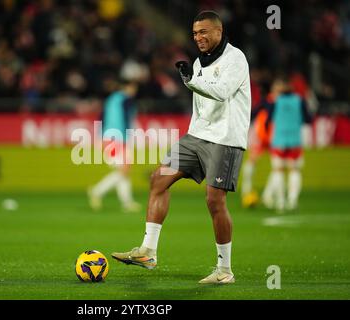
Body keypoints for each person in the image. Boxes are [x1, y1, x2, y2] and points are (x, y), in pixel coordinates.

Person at [111, 11, 251, 284]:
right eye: (195, 33)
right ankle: (148, 251)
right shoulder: (199, 61)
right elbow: (200, 102)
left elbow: (222, 92)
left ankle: (225, 270)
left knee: (214, 200)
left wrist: (191, 80)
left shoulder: (236, 59)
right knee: (159, 179)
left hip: (225, 138)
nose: (198, 37)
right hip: (197, 135)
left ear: (219, 32)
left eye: (204, 32)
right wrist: (192, 126)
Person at [87, 80, 142, 213]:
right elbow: (128, 119)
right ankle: (97, 191)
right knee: (124, 170)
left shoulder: (110, 100)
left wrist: (99, 137)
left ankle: (127, 203)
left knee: (124, 171)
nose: (134, 91)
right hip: (118, 138)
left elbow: (101, 118)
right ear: (127, 87)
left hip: (107, 138)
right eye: (133, 88)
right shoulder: (126, 101)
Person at [261, 76, 312, 212]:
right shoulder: (300, 100)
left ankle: (280, 202)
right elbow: (308, 119)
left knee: (278, 170)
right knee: (294, 170)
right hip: (295, 140)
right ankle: (292, 200)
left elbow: (267, 121)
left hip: (278, 140)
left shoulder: (275, 101)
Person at [240, 79, 284, 208]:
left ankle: (268, 195)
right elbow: (253, 114)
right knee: (251, 163)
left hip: (276, 139)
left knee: (278, 167)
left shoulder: (284, 103)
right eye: (277, 86)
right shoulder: (267, 101)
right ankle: (246, 190)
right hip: (262, 137)